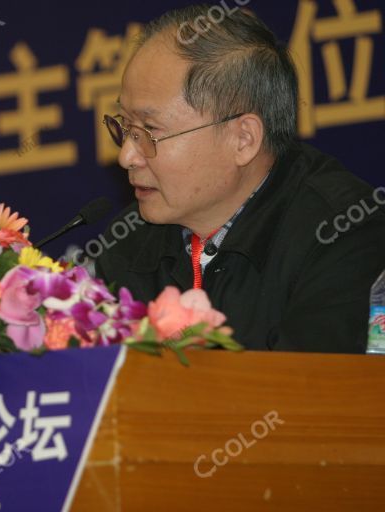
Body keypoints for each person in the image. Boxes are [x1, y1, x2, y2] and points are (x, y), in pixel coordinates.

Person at [95, 4, 385, 353]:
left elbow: (314, 397)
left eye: (149, 131)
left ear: (243, 139)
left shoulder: (343, 235)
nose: (126, 155)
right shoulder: (127, 244)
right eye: (125, 126)